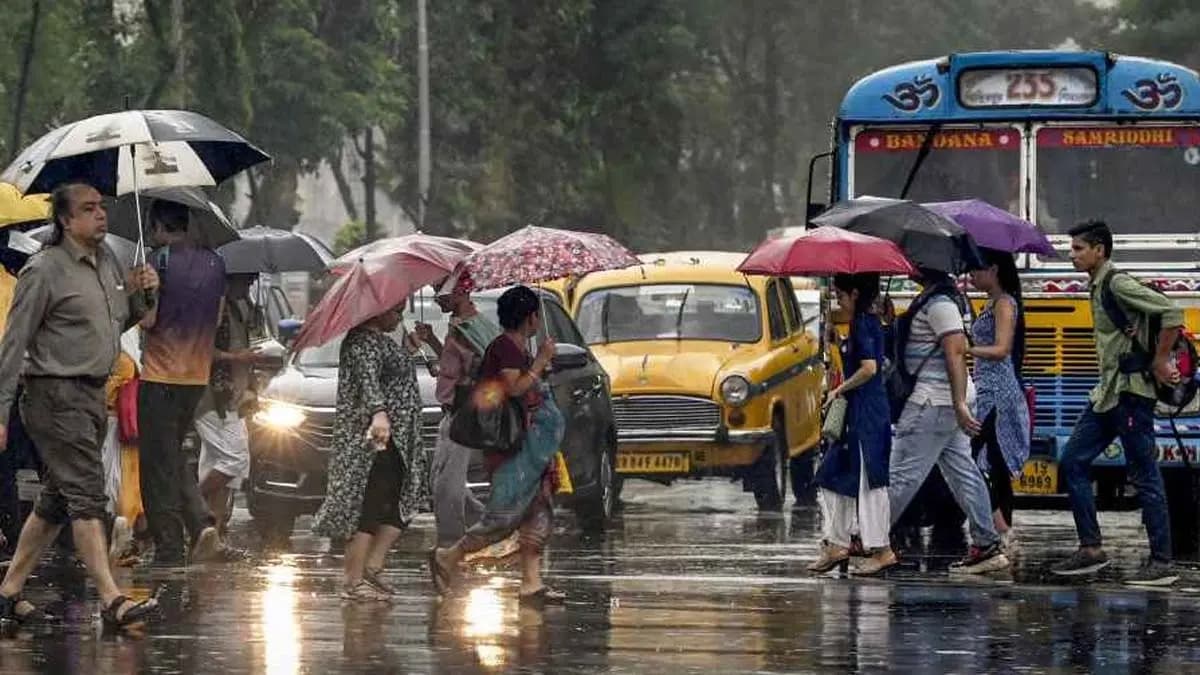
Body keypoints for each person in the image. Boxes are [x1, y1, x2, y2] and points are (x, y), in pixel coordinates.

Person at [0, 182, 159, 628]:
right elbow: (14, 344)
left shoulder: (107, 262)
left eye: (101, 207)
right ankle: (111, 599)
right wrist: (1, 411)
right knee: (88, 496)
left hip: (93, 394)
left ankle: (8, 591)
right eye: (89, 209)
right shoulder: (43, 270)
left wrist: (143, 294)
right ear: (66, 220)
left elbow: (113, 322)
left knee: (56, 500)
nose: (101, 215)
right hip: (53, 396)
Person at [1051, 220, 1180, 586]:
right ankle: (1091, 549)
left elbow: (1172, 313)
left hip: (1131, 395)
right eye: (1072, 248)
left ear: (1100, 250)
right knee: (1073, 461)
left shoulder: (1117, 283)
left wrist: (1160, 360)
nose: (1072, 255)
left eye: (1078, 248)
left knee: (1144, 474)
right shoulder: (1095, 286)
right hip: (1107, 395)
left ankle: (1162, 562)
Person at [430, 286, 567, 608]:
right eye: (536, 315)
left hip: (532, 448)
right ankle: (449, 556)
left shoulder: (518, 348)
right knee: (503, 516)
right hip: (512, 448)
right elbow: (515, 388)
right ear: (530, 318)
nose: (538, 321)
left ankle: (531, 584)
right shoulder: (504, 348)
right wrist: (541, 362)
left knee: (538, 511)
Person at [886, 268, 1010, 574]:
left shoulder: (940, 303)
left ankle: (868, 541)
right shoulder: (942, 299)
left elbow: (955, 353)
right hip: (944, 402)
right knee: (963, 472)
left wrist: (958, 404)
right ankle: (987, 543)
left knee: (901, 475)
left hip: (933, 402)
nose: (909, 266)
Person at [311, 301, 427, 602]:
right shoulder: (361, 342)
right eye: (395, 311)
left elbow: (390, 375)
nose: (399, 318)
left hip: (398, 439)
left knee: (401, 498)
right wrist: (378, 413)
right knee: (369, 505)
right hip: (375, 439)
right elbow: (368, 382)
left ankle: (372, 567)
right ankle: (353, 580)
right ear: (378, 310)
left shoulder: (379, 341)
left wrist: (408, 349)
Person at [138, 200, 226, 565]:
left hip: (160, 375)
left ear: (159, 225)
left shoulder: (157, 261)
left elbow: (148, 319)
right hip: (196, 376)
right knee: (173, 455)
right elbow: (217, 318)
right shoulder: (216, 262)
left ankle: (169, 549)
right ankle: (201, 525)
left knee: (156, 468)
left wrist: (140, 292)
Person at [810, 274, 897, 576]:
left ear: (856, 293)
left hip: (865, 415)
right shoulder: (864, 323)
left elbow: (869, 368)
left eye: (841, 295)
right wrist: (839, 343)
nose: (838, 301)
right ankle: (837, 543)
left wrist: (839, 389)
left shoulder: (863, 322)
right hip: (861, 414)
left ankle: (881, 550)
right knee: (835, 477)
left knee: (867, 483)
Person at [415, 279, 502, 547]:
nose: (436, 300)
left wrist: (467, 378)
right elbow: (453, 363)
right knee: (438, 478)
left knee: (447, 486)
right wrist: (432, 341)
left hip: (463, 414)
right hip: (451, 413)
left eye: (440, 293)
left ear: (460, 293)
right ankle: (489, 526)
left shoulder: (471, 328)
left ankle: (450, 543)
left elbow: (485, 368)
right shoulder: (458, 325)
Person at [967, 249, 1030, 548]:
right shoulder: (990, 303)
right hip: (985, 390)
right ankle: (1002, 529)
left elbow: (1002, 349)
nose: (972, 276)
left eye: (976, 270)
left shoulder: (1004, 303)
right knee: (992, 460)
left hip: (998, 394)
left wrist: (965, 350)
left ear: (993, 270)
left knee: (976, 459)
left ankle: (1001, 527)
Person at [195, 274, 264, 537]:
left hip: (234, 398)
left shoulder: (241, 307)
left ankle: (212, 533)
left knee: (221, 464)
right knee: (234, 459)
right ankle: (188, 507)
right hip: (212, 397)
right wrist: (236, 357)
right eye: (245, 280)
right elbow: (200, 348)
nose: (250, 284)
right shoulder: (213, 306)